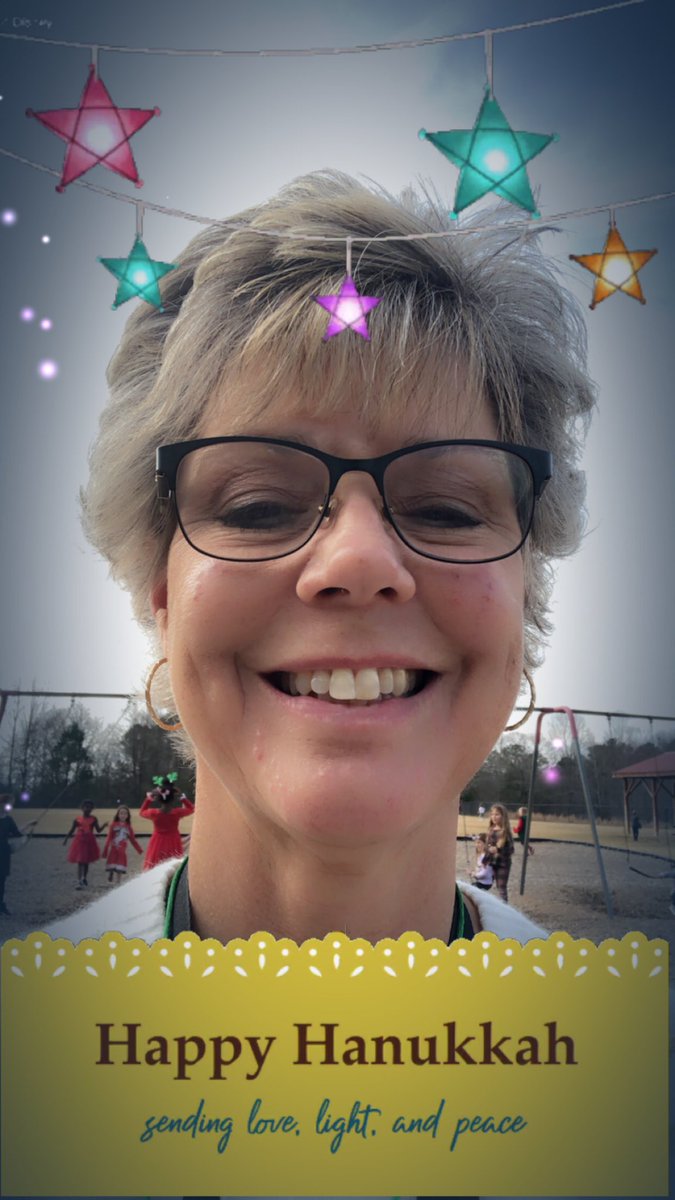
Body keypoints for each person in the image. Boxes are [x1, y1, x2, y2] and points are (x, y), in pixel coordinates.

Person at [43, 169, 595, 949]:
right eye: (258, 507)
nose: (358, 560)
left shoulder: (614, 1031)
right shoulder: (30, 1023)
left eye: (445, 510)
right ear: (161, 591)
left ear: (524, 593)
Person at [139, 777, 195, 870]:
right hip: (173, 841)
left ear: (159, 799)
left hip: (157, 841)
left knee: (155, 866)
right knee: (173, 866)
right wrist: (182, 798)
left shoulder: (154, 813)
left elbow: (142, 812)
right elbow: (191, 809)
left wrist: (149, 798)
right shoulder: (176, 813)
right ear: (173, 798)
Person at [0, 804, 37, 915]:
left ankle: (0, 904)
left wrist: (29, 825)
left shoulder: (8, 819)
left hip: (3, 852)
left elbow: (16, 832)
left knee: (2, 880)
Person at [63, 800, 107, 889]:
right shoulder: (77, 819)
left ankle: (84, 877)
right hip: (79, 842)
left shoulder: (93, 819)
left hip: (89, 842)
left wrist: (104, 825)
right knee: (80, 861)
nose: (88, 809)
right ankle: (80, 880)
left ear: (92, 809)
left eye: (90, 807)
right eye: (86, 807)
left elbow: (98, 830)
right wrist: (66, 839)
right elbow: (72, 830)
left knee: (86, 861)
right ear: (82, 808)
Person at [103, 803, 143, 882]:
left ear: (128, 816)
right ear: (118, 815)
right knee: (112, 862)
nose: (123, 815)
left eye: (125, 813)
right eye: (121, 813)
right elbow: (109, 837)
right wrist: (105, 849)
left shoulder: (128, 827)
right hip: (114, 849)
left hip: (122, 850)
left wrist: (139, 850)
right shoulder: (113, 825)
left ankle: (118, 880)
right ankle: (111, 873)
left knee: (120, 865)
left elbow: (133, 840)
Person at [485, 804, 515, 903]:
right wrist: (484, 859)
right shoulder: (490, 830)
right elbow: (487, 846)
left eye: (497, 814)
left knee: (501, 887)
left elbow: (511, 850)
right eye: (492, 814)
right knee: (484, 883)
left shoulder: (505, 832)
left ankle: (504, 907)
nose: (494, 817)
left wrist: (498, 850)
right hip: (490, 862)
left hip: (503, 864)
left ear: (503, 816)